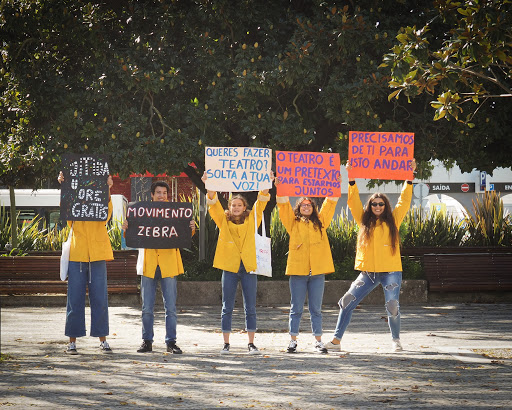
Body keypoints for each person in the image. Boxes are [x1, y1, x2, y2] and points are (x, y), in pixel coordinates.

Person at [326, 159, 416, 353]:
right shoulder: (363, 220)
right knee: (346, 301)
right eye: (374, 204)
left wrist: (409, 177)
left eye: (381, 204)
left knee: (392, 306)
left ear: (385, 205)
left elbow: (404, 200)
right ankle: (336, 341)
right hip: (368, 272)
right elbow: (353, 201)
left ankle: (396, 340)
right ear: (370, 205)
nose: (377, 206)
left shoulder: (394, 220)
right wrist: (351, 178)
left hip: (390, 271)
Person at [202, 171, 271, 355]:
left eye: (239, 205)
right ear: (229, 207)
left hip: (249, 267)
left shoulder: (252, 220)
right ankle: (226, 344)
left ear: (244, 207)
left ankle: (251, 343)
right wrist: (209, 184)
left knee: (250, 306)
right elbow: (213, 204)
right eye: (233, 205)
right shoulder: (223, 221)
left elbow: (261, 202)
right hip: (229, 267)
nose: (236, 207)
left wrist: (267, 182)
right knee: (227, 306)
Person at [122, 181, 196, 354]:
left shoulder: (176, 214)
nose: (161, 195)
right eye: (158, 192)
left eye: (164, 192)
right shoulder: (141, 213)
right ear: (152, 195)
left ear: (167, 195)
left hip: (168, 265)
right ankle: (146, 341)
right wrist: (126, 229)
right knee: (146, 308)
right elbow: (131, 237)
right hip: (148, 264)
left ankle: (171, 342)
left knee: (170, 307)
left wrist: (191, 229)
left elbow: (183, 236)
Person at [275, 178, 339, 354]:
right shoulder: (292, 223)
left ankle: (318, 341)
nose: (306, 207)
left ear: (313, 208)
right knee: (296, 308)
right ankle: (293, 340)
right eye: (302, 205)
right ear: (299, 208)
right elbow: (283, 205)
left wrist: (335, 184)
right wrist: (280, 186)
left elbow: (330, 203)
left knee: (316, 309)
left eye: (309, 204)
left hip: (317, 273)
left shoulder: (321, 222)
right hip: (297, 272)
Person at [58, 171, 114, 355]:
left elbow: (107, 216)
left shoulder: (99, 201)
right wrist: (64, 186)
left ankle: (103, 340)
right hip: (77, 254)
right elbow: (66, 216)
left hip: (98, 255)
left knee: (100, 299)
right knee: (74, 299)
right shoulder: (73, 203)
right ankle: (72, 342)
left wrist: (107, 188)